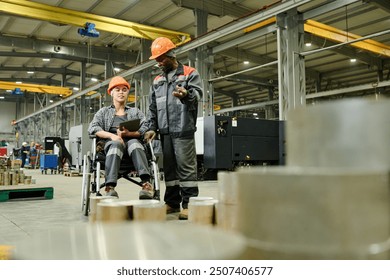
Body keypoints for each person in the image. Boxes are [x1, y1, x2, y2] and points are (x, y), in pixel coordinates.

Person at [144, 37, 203, 220]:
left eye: (162, 59)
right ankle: (171, 202)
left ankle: (189, 203)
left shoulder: (189, 73)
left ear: (171, 55)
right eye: (157, 60)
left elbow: (198, 94)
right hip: (165, 131)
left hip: (183, 128)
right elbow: (153, 107)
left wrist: (187, 94)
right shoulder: (157, 80)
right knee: (169, 170)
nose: (159, 63)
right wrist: (152, 127)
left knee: (186, 168)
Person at [88, 76, 154, 199]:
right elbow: (93, 128)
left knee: (134, 142)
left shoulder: (135, 112)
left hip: (133, 147)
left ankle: (146, 183)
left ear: (127, 93)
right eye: (117, 90)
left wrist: (131, 134)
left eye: (124, 89)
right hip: (111, 145)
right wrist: (112, 136)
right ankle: (110, 186)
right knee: (116, 144)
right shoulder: (103, 112)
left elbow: (146, 126)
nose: (121, 92)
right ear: (111, 93)